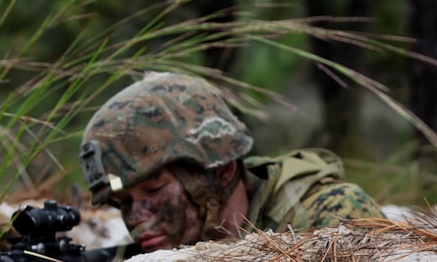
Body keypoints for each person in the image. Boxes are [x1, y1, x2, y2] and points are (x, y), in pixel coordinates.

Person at [78, 71, 384, 252]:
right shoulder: (160, 253)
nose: (136, 218)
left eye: (155, 190)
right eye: (124, 202)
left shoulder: (330, 218)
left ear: (222, 171)